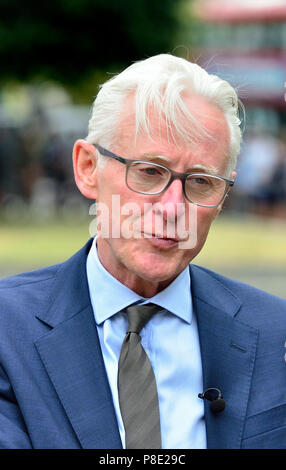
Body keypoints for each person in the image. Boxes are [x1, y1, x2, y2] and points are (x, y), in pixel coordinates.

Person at [0, 54, 285, 450]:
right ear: (87, 168)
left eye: (201, 181)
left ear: (223, 196)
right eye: (150, 171)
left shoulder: (276, 334)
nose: (172, 209)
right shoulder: (7, 332)